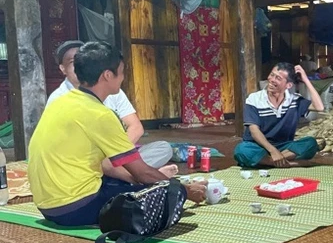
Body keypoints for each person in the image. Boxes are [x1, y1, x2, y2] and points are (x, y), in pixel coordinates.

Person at [28, 42, 206, 226]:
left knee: (136, 182)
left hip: (47, 206)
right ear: (107, 75)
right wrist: (186, 191)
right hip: (75, 207)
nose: (122, 78)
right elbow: (142, 172)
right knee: (165, 194)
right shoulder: (100, 114)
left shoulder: (60, 102)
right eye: (121, 72)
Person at [47, 40, 174, 171]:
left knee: (163, 148)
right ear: (63, 68)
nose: (80, 66)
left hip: (113, 155)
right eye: (74, 63)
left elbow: (136, 127)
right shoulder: (60, 99)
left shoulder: (109, 87)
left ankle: (122, 174)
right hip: (84, 162)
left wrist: (116, 154)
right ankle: (127, 175)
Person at [234, 63, 325, 168]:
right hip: (259, 146)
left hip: (283, 146)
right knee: (242, 150)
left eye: (278, 78)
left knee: (311, 143)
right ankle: (288, 163)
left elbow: (319, 107)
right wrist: (272, 151)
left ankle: (269, 162)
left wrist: (306, 79)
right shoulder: (254, 99)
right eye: (272, 75)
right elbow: (254, 132)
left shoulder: (294, 100)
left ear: (288, 85)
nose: (272, 79)